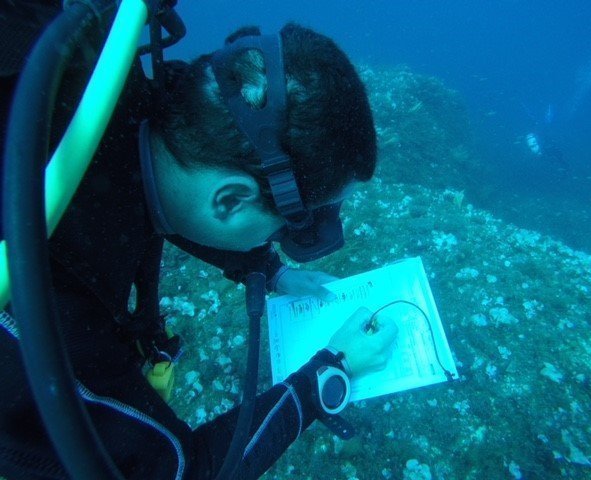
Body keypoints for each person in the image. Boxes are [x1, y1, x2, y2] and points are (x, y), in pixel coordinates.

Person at [0, 7, 397, 480]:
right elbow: (181, 470)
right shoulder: (43, 323)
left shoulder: (107, 87)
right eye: (282, 228)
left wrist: (273, 271)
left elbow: (180, 197)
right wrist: (332, 373)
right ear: (230, 201)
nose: (276, 239)